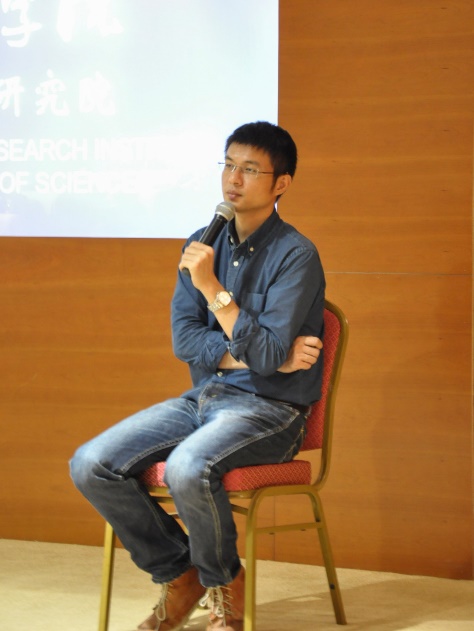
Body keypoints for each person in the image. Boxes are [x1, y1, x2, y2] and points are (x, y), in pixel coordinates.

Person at [70, 121, 325, 631]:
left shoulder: (296, 255)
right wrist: (252, 356)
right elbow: (186, 342)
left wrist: (213, 289)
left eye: (249, 169)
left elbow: (270, 355)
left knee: (189, 467)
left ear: (281, 183)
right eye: (228, 165)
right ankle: (181, 573)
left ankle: (223, 584)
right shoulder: (200, 244)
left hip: (272, 410)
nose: (233, 179)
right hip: (206, 397)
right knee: (91, 464)